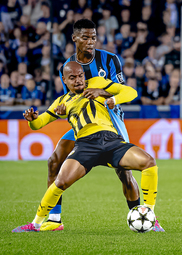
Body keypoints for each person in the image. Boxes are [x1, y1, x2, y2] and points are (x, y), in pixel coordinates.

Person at [41, 19, 163, 232]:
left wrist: (102, 93)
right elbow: (71, 98)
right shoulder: (68, 65)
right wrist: (61, 111)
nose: (91, 42)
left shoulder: (110, 60)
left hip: (111, 121)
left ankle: (147, 217)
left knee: (124, 172)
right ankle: (53, 219)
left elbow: (121, 91)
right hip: (84, 123)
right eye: (86, 37)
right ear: (75, 38)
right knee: (54, 161)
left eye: (94, 37)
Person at [12, 61, 159, 232]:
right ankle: (36, 224)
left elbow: (131, 92)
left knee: (149, 162)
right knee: (60, 182)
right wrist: (32, 121)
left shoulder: (96, 83)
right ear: (64, 81)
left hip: (111, 140)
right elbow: (40, 123)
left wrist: (111, 98)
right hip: (85, 146)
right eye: (72, 78)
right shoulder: (62, 102)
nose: (78, 80)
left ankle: (150, 216)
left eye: (80, 75)